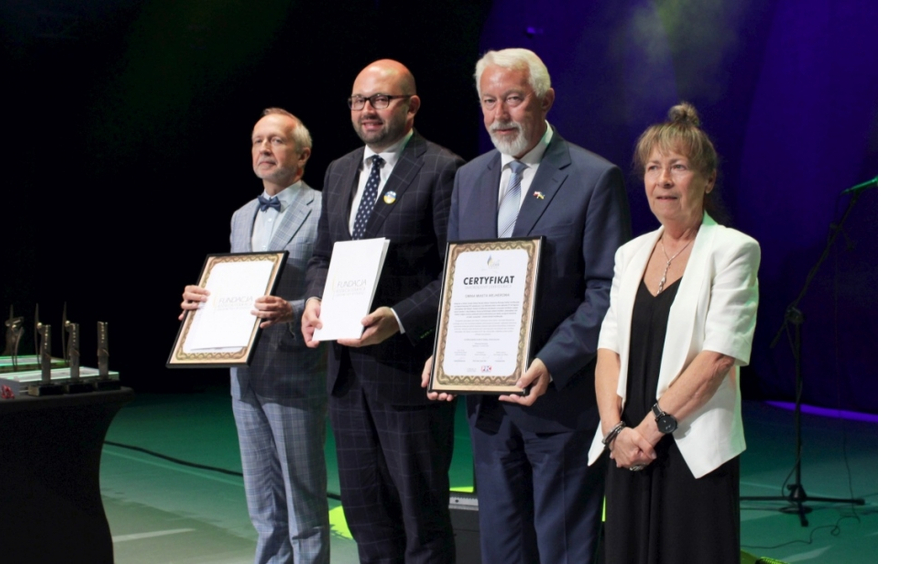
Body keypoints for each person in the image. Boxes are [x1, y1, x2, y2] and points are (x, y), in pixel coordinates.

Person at [423, 48, 631, 563]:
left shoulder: (593, 177)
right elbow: (457, 281)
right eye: (488, 101)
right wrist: (442, 352)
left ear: (546, 100)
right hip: (488, 410)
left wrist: (549, 363)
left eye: (513, 99)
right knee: (502, 547)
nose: (499, 115)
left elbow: (608, 291)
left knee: (564, 548)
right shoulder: (469, 178)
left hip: (559, 404)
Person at [301, 59, 464, 564]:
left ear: (411, 106)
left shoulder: (443, 169)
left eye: (380, 99)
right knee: (365, 515)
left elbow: (456, 272)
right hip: (348, 377)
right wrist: (312, 298)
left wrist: (398, 317)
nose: (366, 110)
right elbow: (324, 255)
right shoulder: (340, 169)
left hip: (406, 375)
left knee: (421, 519)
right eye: (357, 100)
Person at [586, 103, 760, 563]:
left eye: (678, 167)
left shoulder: (733, 250)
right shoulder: (630, 253)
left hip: (691, 448)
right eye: (653, 168)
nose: (662, 180)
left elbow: (719, 356)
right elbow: (608, 348)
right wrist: (614, 432)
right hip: (626, 449)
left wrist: (647, 431)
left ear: (708, 179)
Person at [180, 108, 329, 564]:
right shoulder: (241, 215)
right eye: (257, 141)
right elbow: (237, 285)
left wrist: (294, 310)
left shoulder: (324, 207)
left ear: (301, 154)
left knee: (301, 497)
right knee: (262, 500)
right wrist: (203, 302)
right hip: (243, 371)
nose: (264, 149)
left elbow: (336, 286)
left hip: (295, 370)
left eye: (276, 141)